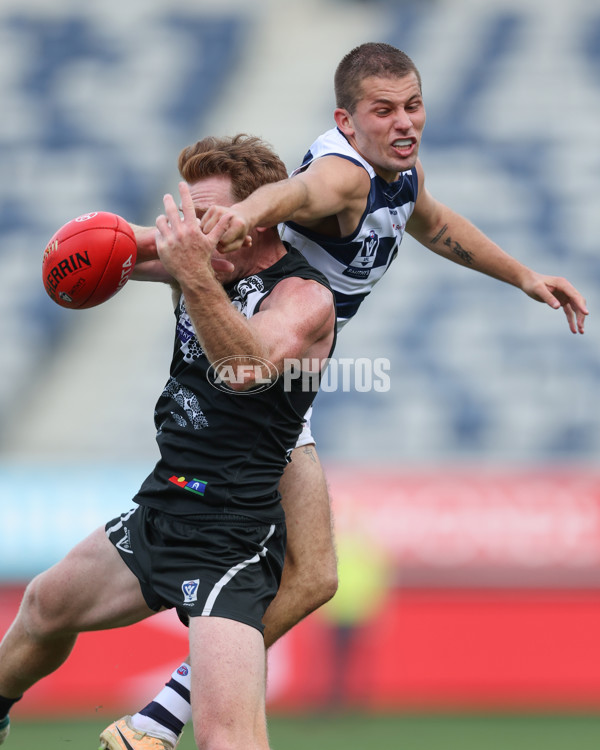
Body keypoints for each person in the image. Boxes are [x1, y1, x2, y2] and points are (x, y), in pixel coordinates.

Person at [101, 41, 587, 750]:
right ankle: (163, 719)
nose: (404, 123)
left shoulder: (398, 173)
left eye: (412, 106)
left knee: (317, 578)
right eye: (383, 111)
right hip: (262, 369)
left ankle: (158, 717)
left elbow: (439, 225)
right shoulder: (343, 175)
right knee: (296, 573)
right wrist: (239, 219)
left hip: (288, 380)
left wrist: (524, 277)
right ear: (346, 119)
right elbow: (294, 194)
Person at [0, 135, 336, 750]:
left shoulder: (303, 298)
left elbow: (246, 368)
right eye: (187, 215)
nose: (191, 233)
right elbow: (115, 243)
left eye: (206, 217)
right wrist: (84, 248)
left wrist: (189, 271)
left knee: (224, 736)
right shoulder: (203, 257)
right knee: (44, 606)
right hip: (164, 505)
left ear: (253, 219)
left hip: (232, 532)